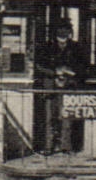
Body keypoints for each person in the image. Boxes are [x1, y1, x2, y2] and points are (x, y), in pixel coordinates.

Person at [33, 20, 88, 153]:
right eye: (60, 30)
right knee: (49, 117)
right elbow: (39, 66)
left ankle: (65, 146)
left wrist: (71, 72)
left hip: (69, 87)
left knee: (67, 117)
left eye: (66, 30)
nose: (63, 33)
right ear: (56, 32)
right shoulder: (46, 47)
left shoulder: (76, 47)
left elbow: (83, 66)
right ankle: (48, 146)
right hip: (51, 87)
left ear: (70, 32)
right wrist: (54, 72)